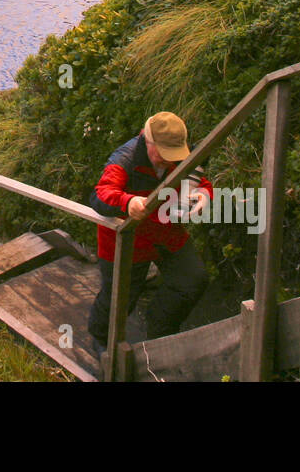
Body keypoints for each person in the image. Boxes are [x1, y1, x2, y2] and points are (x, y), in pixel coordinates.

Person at [86, 111, 212, 349]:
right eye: (164, 153)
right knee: (119, 299)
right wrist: (128, 202)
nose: (169, 159)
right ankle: (100, 339)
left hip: (166, 233)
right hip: (126, 240)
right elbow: (100, 195)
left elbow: (200, 182)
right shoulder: (125, 158)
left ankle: (160, 329)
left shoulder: (180, 153)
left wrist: (204, 195)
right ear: (148, 141)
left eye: (174, 153)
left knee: (192, 279)